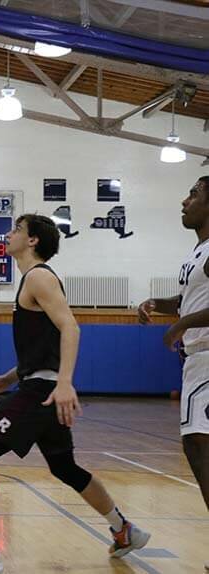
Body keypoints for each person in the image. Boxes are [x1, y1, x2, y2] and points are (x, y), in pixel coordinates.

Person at [0, 214, 150, 573]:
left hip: (43, 392)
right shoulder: (33, 281)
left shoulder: (38, 277)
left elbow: (71, 327)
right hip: (39, 385)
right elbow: (45, 346)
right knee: (64, 467)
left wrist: (65, 382)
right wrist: (7, 379)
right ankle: (123, 529)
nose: (9, 234)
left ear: (32, 240)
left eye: (16, 229)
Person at [137, 175, 209, 572]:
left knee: (197, 444)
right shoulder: (197, 252)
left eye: (194, 194)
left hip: (207, 357)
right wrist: (160, 303)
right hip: (197, 360)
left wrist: (180, 326)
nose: (185, 201)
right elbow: (189, 300)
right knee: (198, 446)